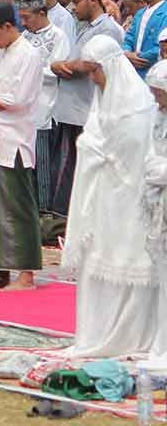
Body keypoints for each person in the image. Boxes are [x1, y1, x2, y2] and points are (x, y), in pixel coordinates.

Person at [62, 36, 157, 357]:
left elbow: (137, 160)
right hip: (100, 205)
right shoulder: (103, 102)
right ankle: (96, 334)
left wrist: (96, 152)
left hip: (129, 205)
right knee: (95, 270)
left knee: (126, 269)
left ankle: (128, 337)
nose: (93, 79)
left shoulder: (138, 108)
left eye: (95, 72)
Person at [0, 1, 43, 291]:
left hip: (14, 140)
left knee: (18, 207)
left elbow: (17, 100)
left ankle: (26, 275)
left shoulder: (29, 54)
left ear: (8, 26)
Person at [50, 0, 124, 216]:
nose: (73, 7)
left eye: (77, 2)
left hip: (87, 110)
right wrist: (62, 64)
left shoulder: (108, 28)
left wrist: (63, 65)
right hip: (72, 109)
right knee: (70, 164)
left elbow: (90, 64)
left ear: (93, 1)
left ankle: (63, 216)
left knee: (75, 165)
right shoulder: (84, 26)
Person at [17, 0, 69, 213]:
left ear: (41, 13)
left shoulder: (58, 36)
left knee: (43, 167)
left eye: (27, 17)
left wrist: (31, 71)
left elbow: (57, 70)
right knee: (25, 166)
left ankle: (45, 215)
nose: (24, 22)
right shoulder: (24, 38)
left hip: (45, 110)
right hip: (23, 110)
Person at [142, 60, 167, 358]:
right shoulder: (157, 117)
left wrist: (159, 170)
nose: (156, 100)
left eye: (160, 94)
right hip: (158, 197)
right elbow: (150, 155)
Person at [122, 0, 167, 78]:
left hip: (157, 76)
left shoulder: (165, 12)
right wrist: (127, 53)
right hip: (135, 74)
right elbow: (128, 38)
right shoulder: (140, 13)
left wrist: (138, 57)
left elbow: (162, 47)